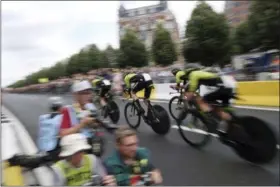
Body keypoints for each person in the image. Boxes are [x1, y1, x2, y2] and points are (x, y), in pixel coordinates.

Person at [170, 63, 237, 132]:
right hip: (228, 85)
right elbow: (188, 85)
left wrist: (186, 102)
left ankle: (210, 120)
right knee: (213, 103)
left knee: (202, 101)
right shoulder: (199, 73)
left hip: (222, 86)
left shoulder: (193, 75)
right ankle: (232, 120)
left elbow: (190, 90)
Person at [52, 133, 116, 186]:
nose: (79, 156)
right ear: (66, 155)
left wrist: (108, 182)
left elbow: (103, 178)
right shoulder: (58, 169)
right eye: (75, 153)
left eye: (81, 151)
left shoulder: (92, 159)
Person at [59, 80, 98, 154]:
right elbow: (63, 134)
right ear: (76, 95)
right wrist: (82, 124)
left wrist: (93, 124)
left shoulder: (91, 107)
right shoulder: (68, 110)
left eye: (89, 92)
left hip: (91, 143)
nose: (88, 96)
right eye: (84, 93)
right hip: (76, 147)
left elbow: (96, 126)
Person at [37, 96, 64, 161]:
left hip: (42, 148)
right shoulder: (62, 118)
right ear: (60, 107)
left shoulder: (42, 118)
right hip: (54, 150)